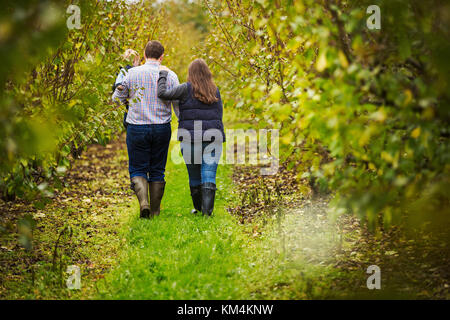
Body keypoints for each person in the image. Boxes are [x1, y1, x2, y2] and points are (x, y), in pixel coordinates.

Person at [112, 41, 179, 219]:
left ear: (144, 53)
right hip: (162, 128)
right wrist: (183, 122)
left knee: (137, 168)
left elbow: (116, 99)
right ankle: (155, 211)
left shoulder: (132, 74)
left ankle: (144, 204)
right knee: (157, 169)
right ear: (162, 56)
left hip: (137, 127)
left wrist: (122, 90)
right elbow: (177, 104)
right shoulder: (171, 75)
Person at [157, 58, 225, 216]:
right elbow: (219, 114)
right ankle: (207, 213)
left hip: (190, 139)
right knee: (209, 174)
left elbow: (162, 94)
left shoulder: (184, 89)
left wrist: (163, 74)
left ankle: (199, 208)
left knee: (194, 175)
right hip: (212, 138)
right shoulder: (215, 90)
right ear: (207, 73)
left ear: (190, 74)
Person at [112, 49, 140, 128]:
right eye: (137, 61)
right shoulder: (128, 70)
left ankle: (126, 122)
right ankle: (120, 85)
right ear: (134, 61)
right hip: (127, 90)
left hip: (127, 92)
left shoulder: (125, 69)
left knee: (128, 108)